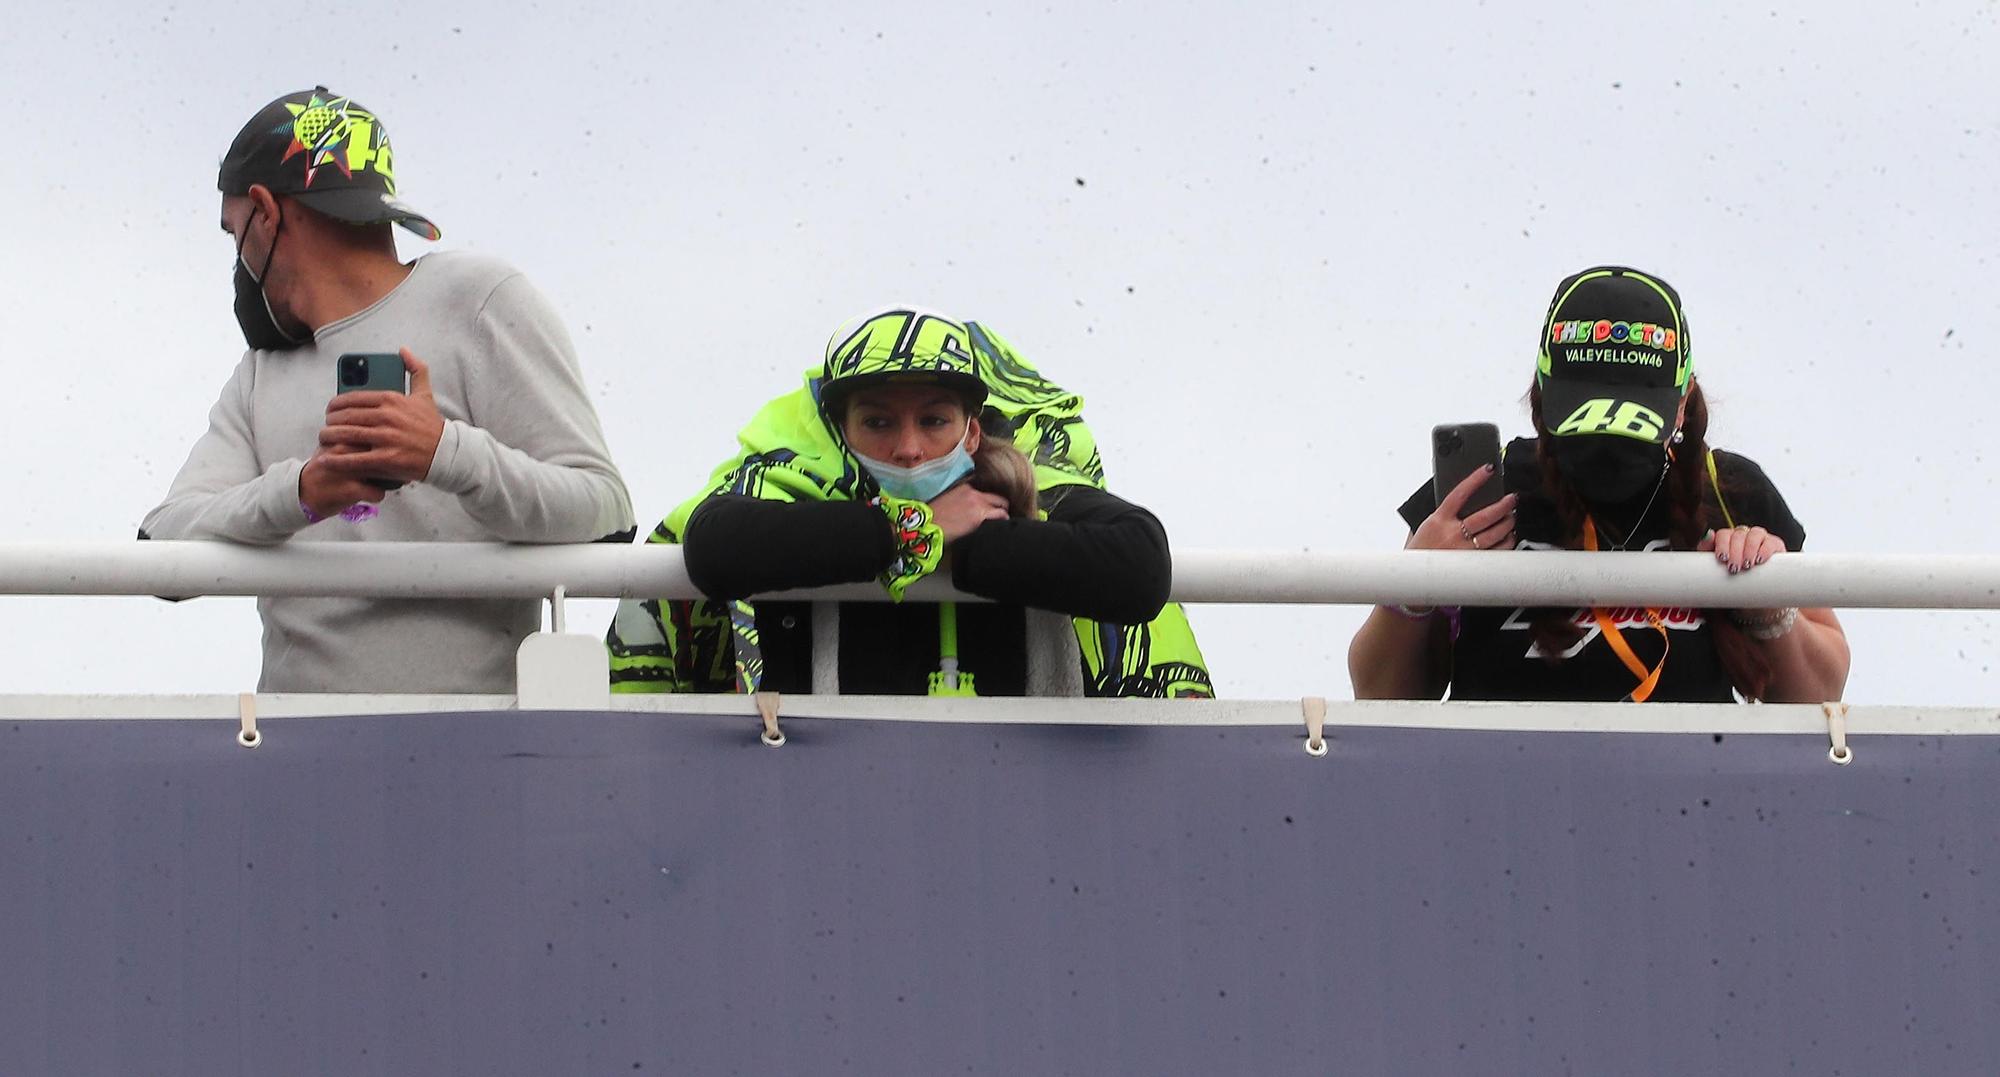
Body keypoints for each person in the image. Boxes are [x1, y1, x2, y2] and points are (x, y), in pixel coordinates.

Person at [142, 88, 633, 693]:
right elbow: (160, 548)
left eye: (233, 231)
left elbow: (606, 515)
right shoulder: (260, 372)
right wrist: (301, 492)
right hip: (297, 760)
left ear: (266, 212)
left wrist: (445, 455)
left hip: (475, 757)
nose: (237, 259)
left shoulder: (478, 298)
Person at [607, 307, 1213, 697]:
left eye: (933, 420)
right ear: (840, 432)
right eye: (877, 422)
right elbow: (716, 545)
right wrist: (912, 532)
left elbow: (1140, 566)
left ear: (972, 432)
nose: (908, 448)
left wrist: (979, 542)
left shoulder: (1038, 488)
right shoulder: (791, 484)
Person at [1348, 266, 1850, 703]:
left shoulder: (1731, 491)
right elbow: (1380, 695)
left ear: (1682, 401)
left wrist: (1769, 606)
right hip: (1495, 797)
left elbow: (1821, 695)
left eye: (1634, 430)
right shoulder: (1485, 492)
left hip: (1695, 800)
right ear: (1542, 394)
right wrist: (1416, 587)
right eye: (1584, 427)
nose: (1607, 455)